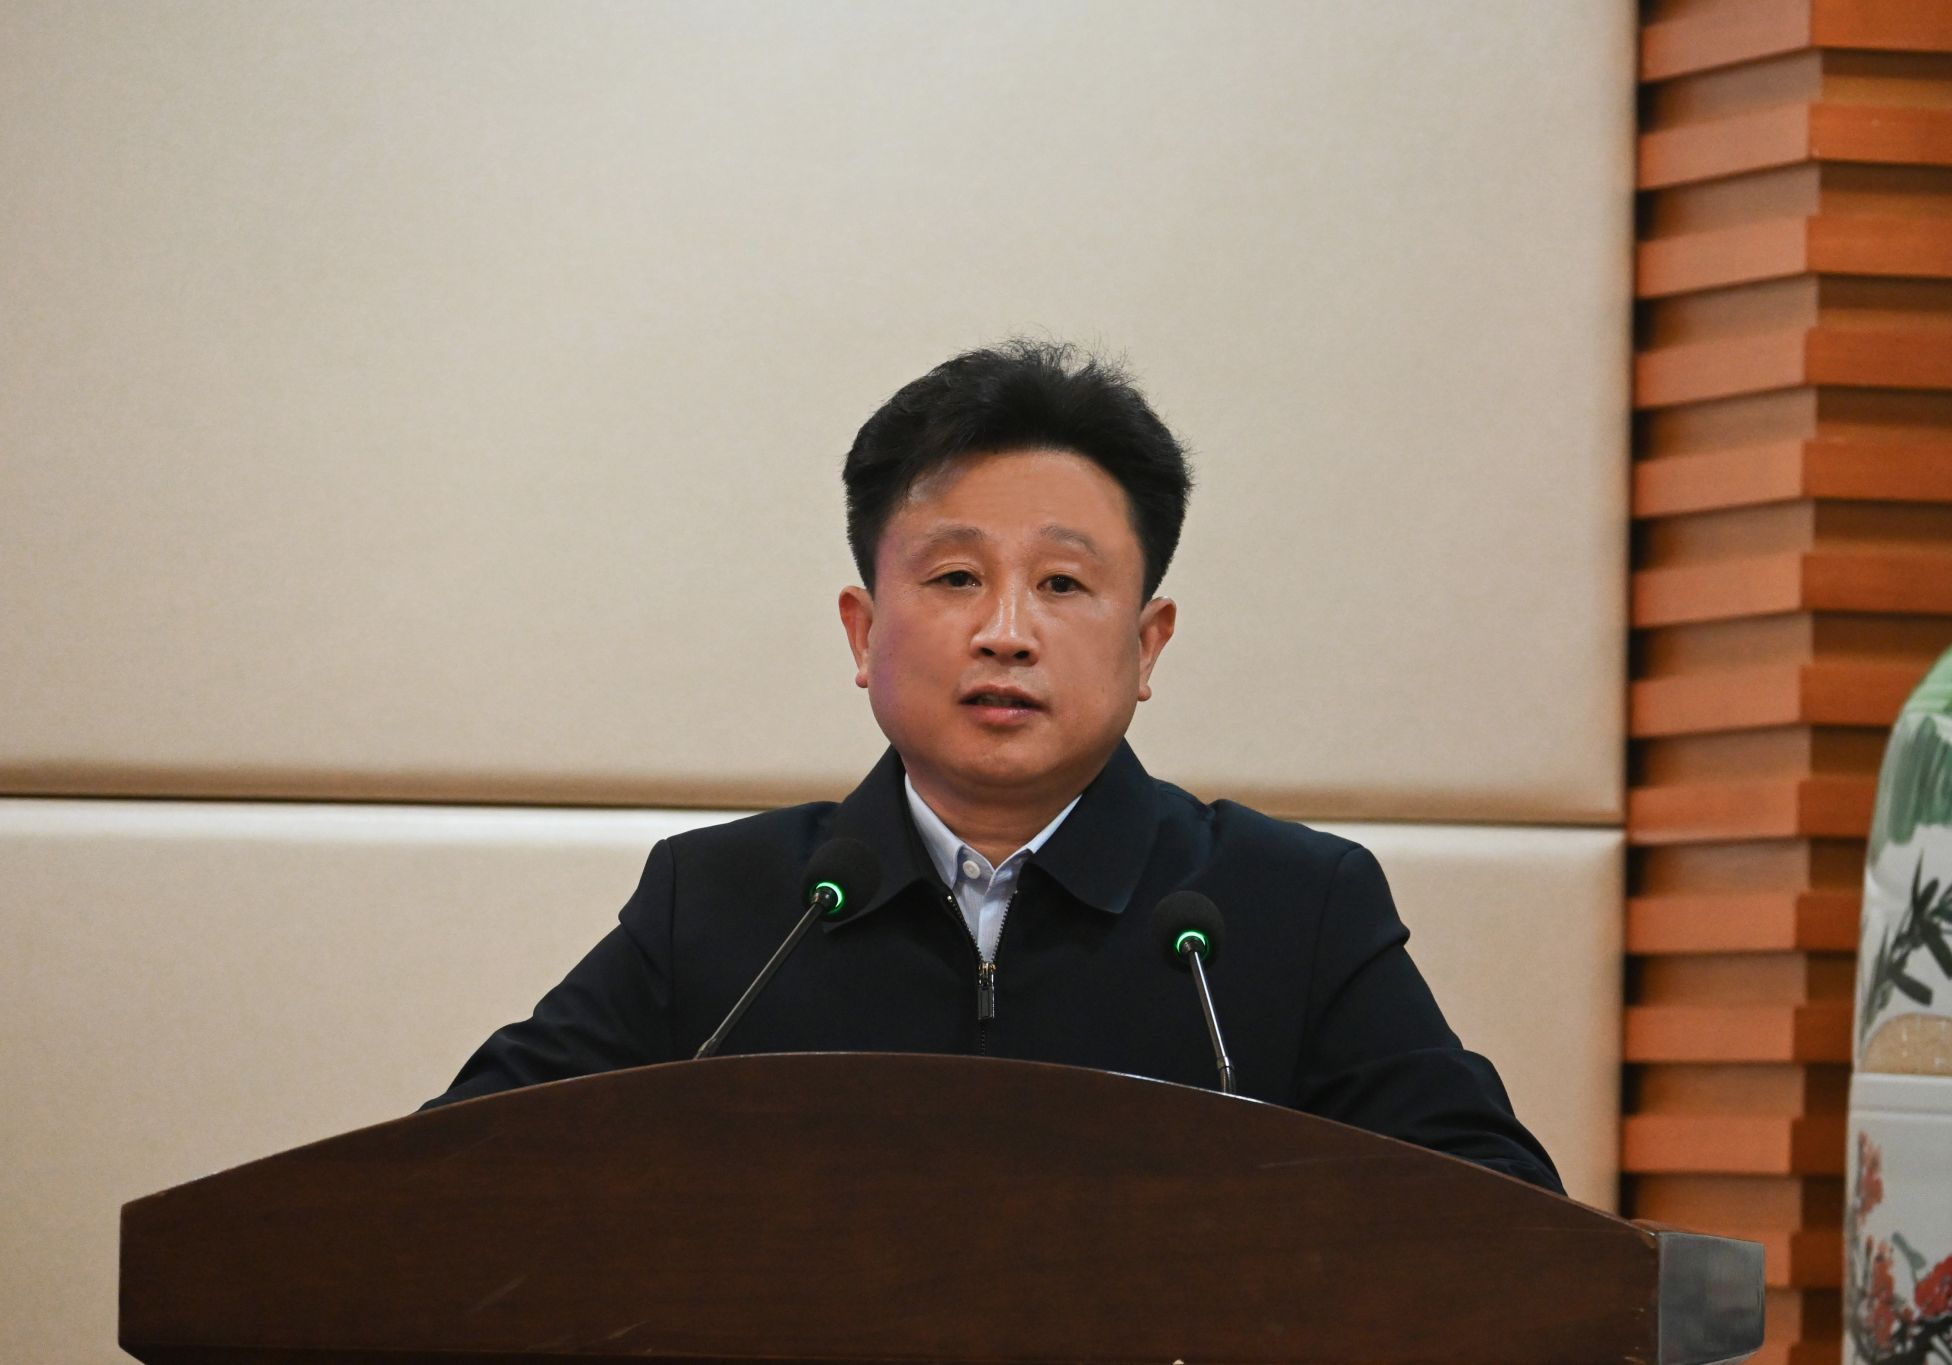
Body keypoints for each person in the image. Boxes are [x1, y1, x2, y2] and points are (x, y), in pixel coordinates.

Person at [424, 339, 1562, 1194]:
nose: (1006, 632)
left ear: (1147, 644)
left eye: (1062, 585)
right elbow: (443, 1184)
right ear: (863, 631)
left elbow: (1508, 1231)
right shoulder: (728, 908)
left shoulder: (1284, 908)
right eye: (956, 578)